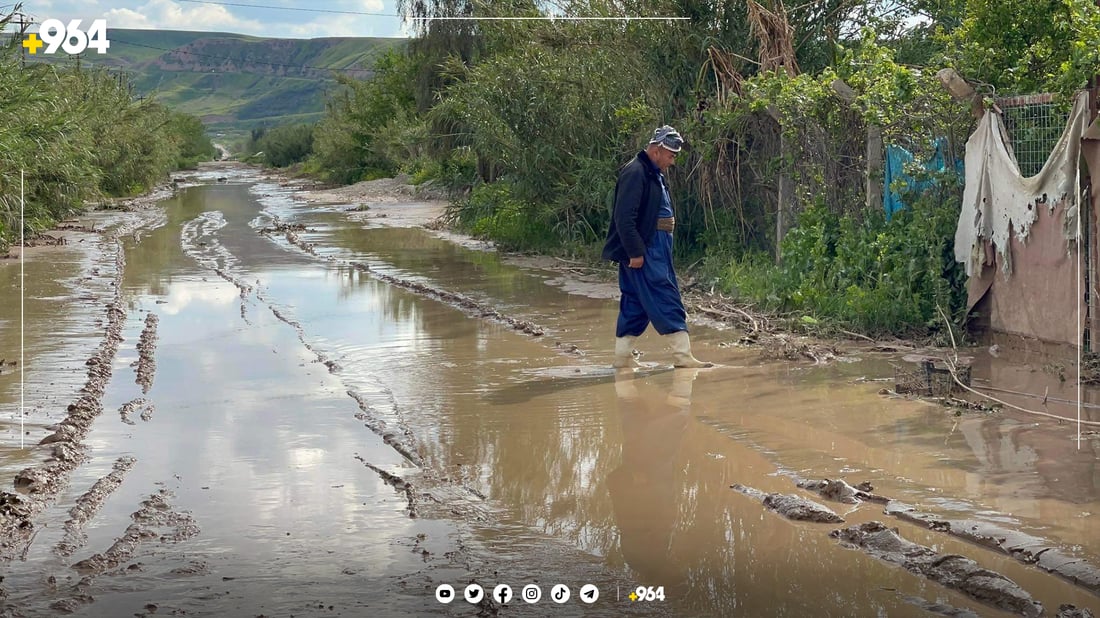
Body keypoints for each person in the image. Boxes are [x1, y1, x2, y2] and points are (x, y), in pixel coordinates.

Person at [601, 125, 711, 368]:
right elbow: (624, 218)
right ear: (656, 151)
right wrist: (635, 252)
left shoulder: (650, 172)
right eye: (670, 156)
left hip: (655, 246)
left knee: (635, 304)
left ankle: (622, 359)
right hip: (647, 248)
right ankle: (683, 357)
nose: (672, 162)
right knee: (665, 294)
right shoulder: (636, 172)